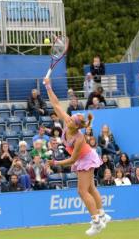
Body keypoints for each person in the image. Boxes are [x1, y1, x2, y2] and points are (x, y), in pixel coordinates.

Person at [43, 77, 110, 236]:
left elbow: (73, 159)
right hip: (85, 157)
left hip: (85, 158)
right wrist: (48, 87)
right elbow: (56, 104)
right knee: (91, 188)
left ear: (76, 125)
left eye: (72, 119)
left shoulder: (79, 138)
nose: (69, 118)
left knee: (82, 191)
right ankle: (102, 215)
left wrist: (55, 162)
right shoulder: (67, 121)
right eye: (71, 117)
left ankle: (96, 222)